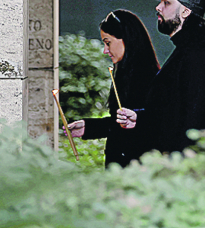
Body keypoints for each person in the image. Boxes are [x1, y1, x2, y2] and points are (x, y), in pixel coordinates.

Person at [116, 0, 205, 154]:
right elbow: (173, 110)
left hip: (188, 169)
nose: (158, 8)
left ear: (185, 11)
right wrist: (140, 119)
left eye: (167, 3)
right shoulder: (191, 49)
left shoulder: (197, 54)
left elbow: (195, 121)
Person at [66, 9, 159, 167]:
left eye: (108, 42)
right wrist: (88, 128)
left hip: (136, 167)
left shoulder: (147, 76)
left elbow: (148, 123)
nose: (105, 50)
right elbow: (120, 124)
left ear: (126, 39)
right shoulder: (126, 72)